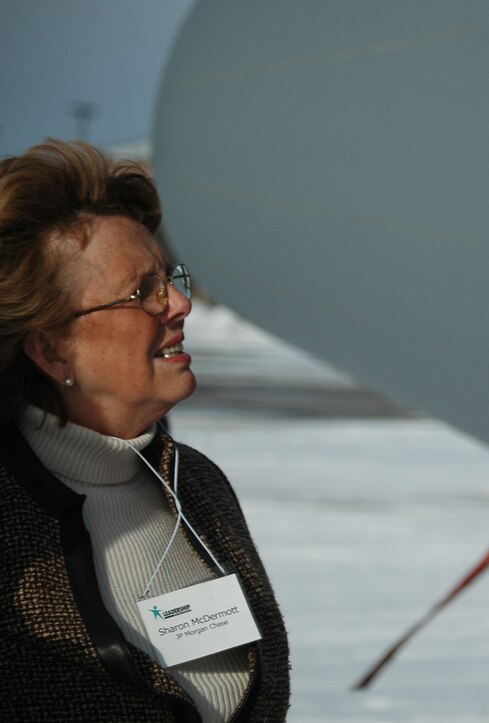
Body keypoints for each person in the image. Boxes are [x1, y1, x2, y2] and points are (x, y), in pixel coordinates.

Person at [0, 139, 290, 721]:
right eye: (143, 292)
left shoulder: (200, 485)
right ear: (53, 351)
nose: (180, 303)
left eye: (169, 278)